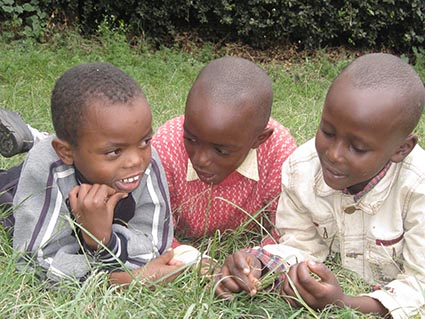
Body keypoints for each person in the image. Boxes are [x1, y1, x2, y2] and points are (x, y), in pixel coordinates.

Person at [214, 53, 425, 319]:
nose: (333, 154)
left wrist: (346, 302)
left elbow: (420, 284)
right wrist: (258, 263)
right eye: (327, 131)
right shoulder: (300, 169)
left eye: (357, 147)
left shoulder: (418, 188)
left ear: (401, 149)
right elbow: (300, 245)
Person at [0, 62, 186, 285]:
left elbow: (156, 246)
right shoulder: (46, 168)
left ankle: (30, 135)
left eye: (145, 140)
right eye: (114, 151)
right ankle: (32, 140)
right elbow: (35, 263)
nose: (137, 159)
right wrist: (121, 280)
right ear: (66, 152)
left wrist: (103, 241)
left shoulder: (148, 159)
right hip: (14, 191)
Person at [151, 56, 297, 244]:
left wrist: (257, 260)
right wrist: (182, 256)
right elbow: (149, 223)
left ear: (259, 139)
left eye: (221, 151)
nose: (201, 159)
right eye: (191, 139)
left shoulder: (278, 152)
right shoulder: (166, 146)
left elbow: (292, 228)